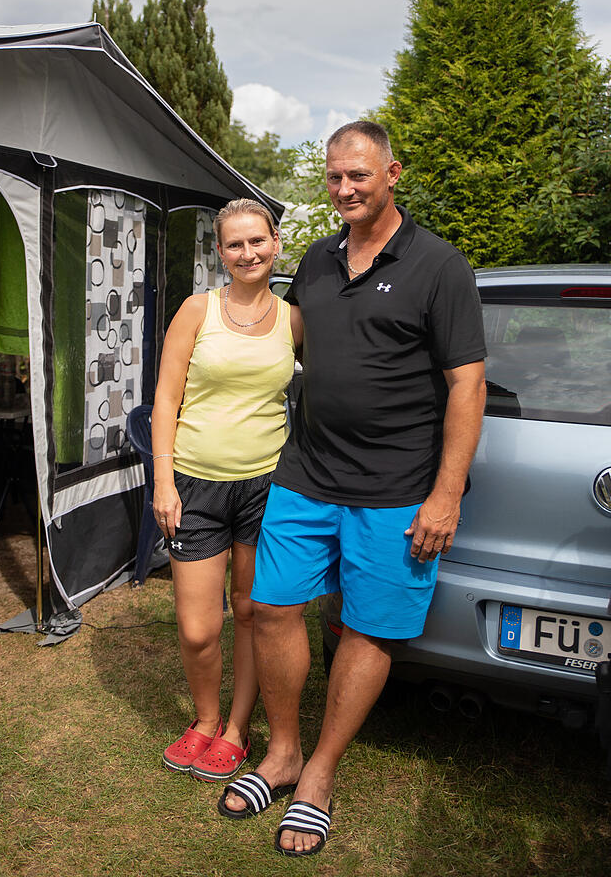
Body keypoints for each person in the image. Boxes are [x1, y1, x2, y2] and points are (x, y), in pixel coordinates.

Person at [218, 121, 486, 856]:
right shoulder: (315, 258)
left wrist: (447, 492)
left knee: (368, 627)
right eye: (334, 177)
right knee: (270, 608)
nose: (344, 189)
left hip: (398, 487)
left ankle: (319, 776)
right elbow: (285, 340)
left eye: (359, 176)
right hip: (306, 473)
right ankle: (282, 753)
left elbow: (467, 384)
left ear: (392, 172)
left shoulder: (440, 265)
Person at [151, 198, 301, 783]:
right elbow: (165, 398)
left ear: (275, 243)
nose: (248, 253)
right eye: (235, 245)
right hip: (194, 483)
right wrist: (163, 480)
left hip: (267, 485)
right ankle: (205, 719)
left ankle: (236, 728)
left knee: (250, 612)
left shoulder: (294, 320)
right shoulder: (197, 310)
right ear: (220, 252)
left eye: (257, 241)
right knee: (197, 627)